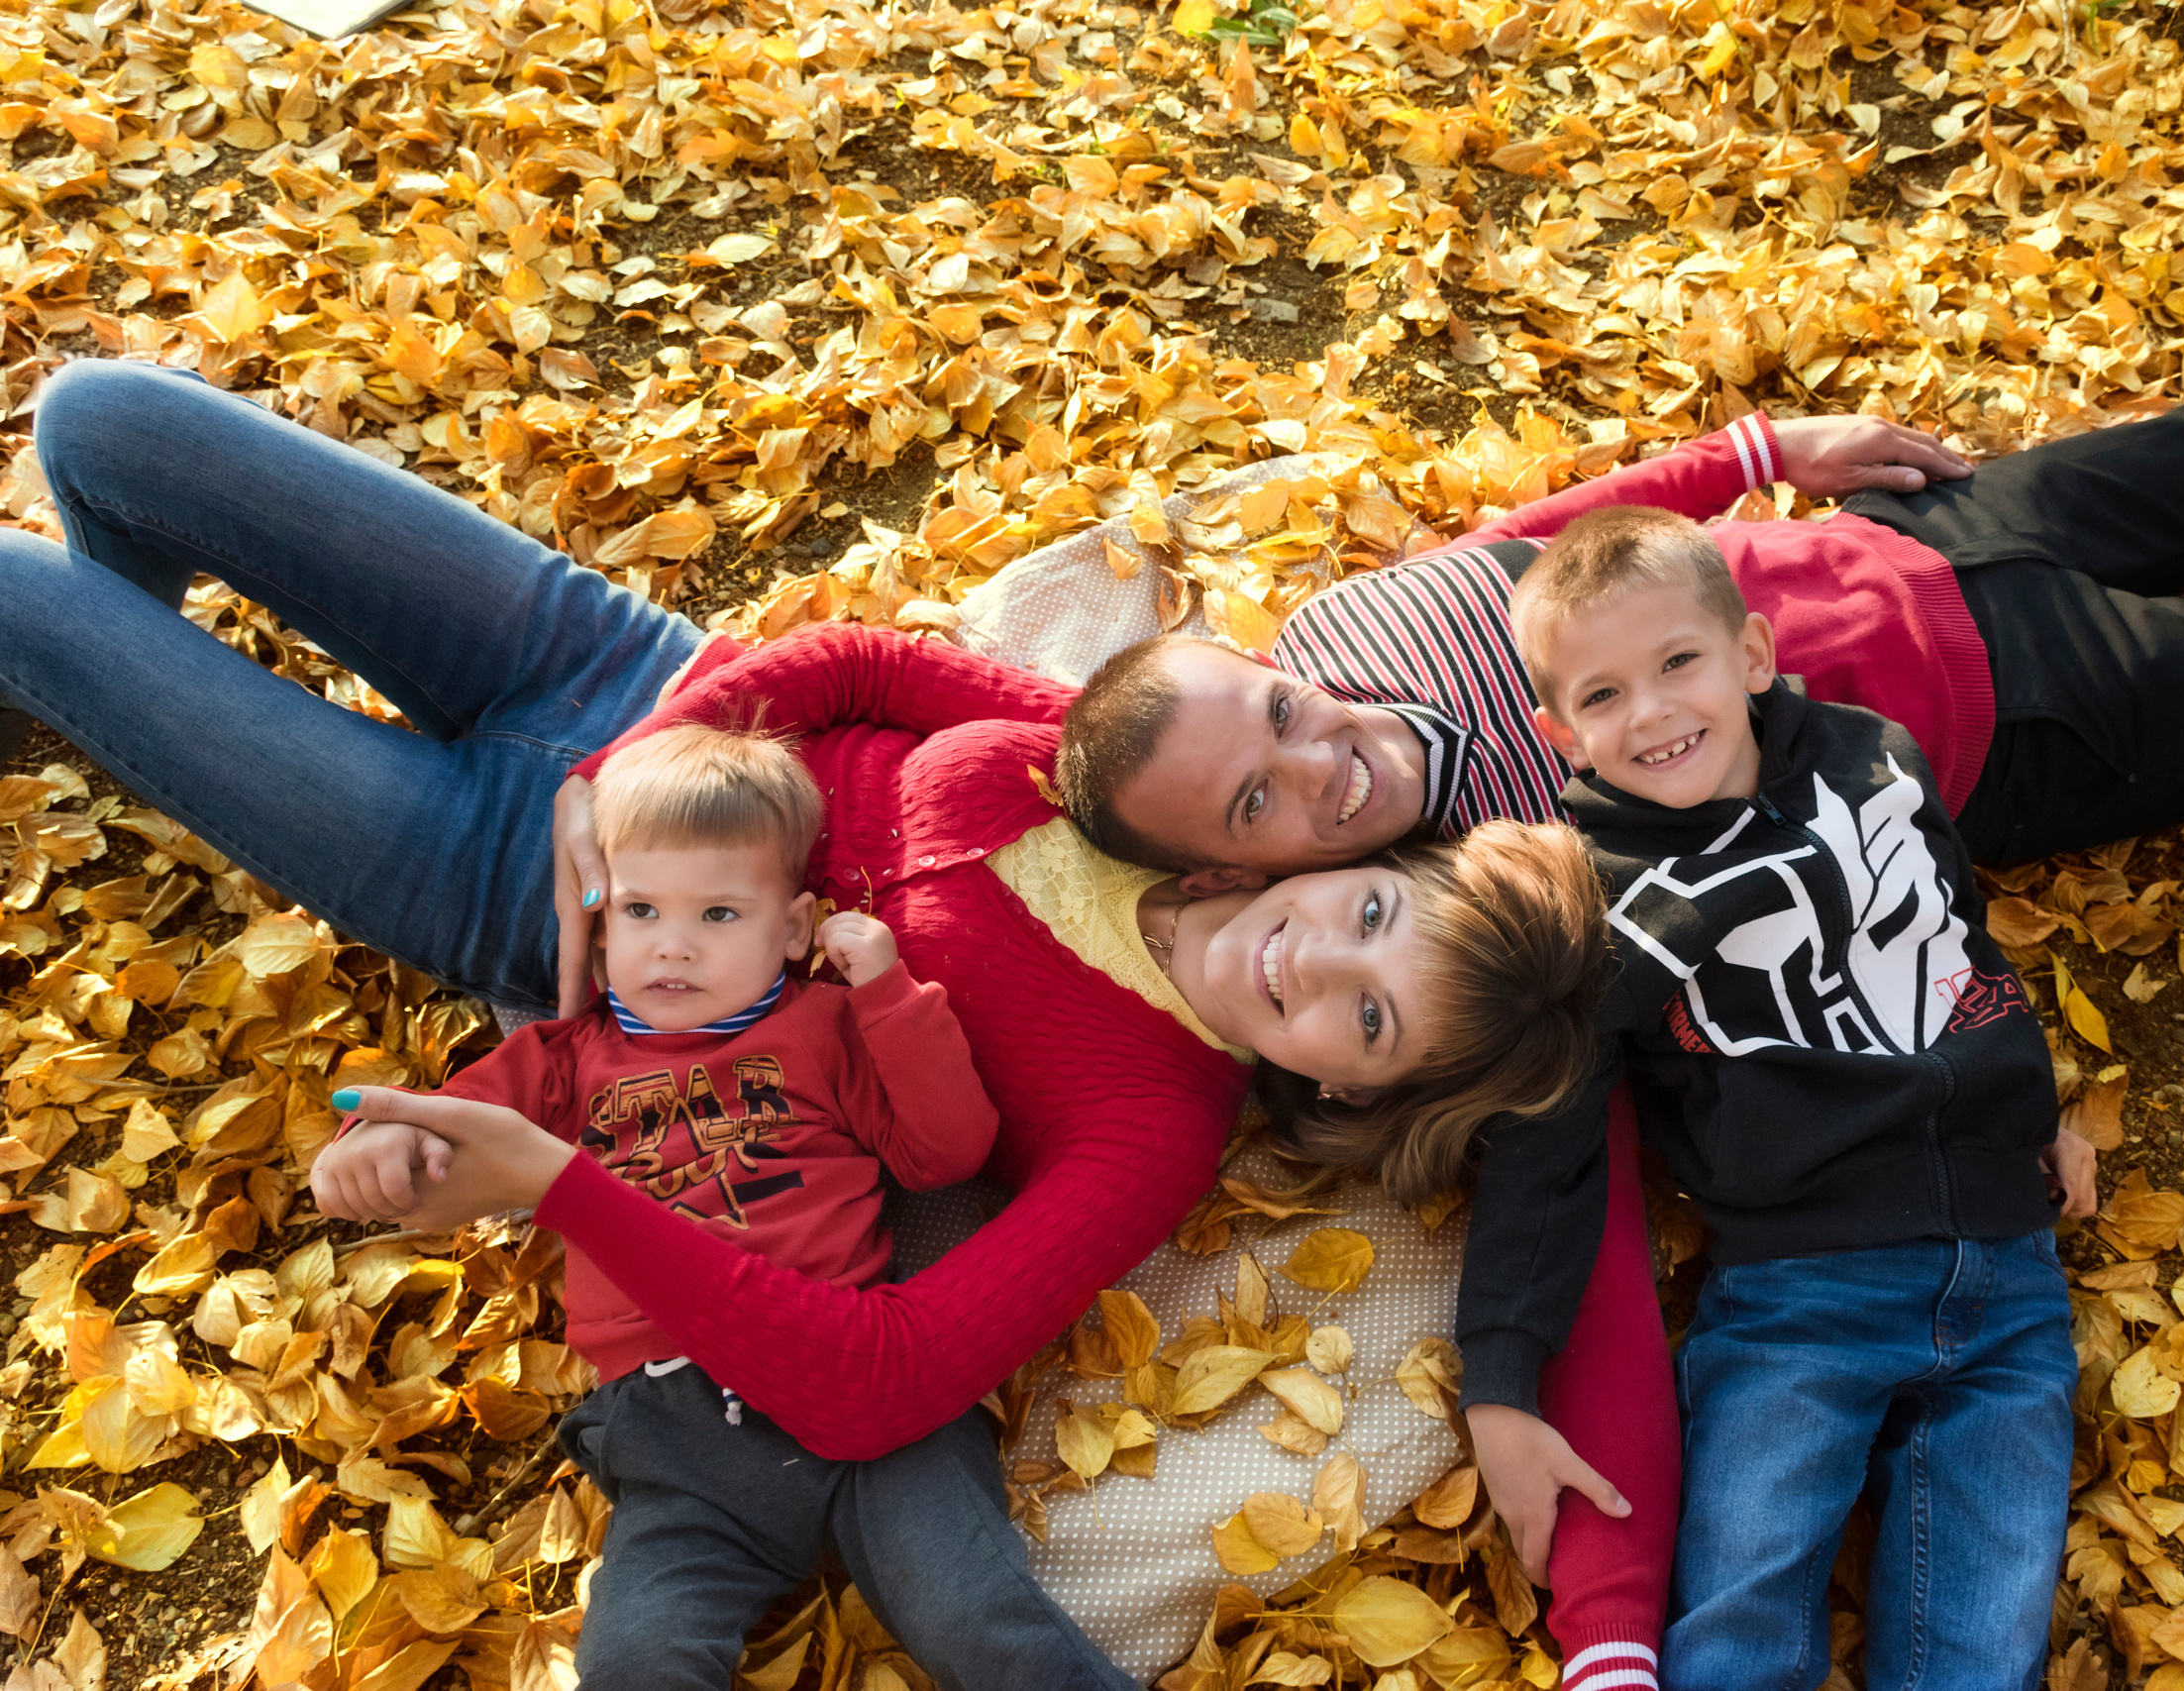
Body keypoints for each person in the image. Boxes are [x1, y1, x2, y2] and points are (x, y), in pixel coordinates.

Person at [0, 360, 1610, 1691]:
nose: (1314, 963)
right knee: (96, 421)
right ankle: (108, 698)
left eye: (1370, 1021)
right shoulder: (1179, 804)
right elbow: (858, 667)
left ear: (1343, 1086)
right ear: (1363, 867)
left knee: (19, 592)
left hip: (520, 894)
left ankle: (90, 669)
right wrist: (640, 765)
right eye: (1375, 914)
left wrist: (555, 1168)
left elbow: (880, 1375)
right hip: (621, 662)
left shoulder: (1152, 1130)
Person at [1046, 296, 2184, 1628]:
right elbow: (1577, 1176)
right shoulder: (1505, 884)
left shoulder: (1350, 618)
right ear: (1237, 870)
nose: (1320, 762)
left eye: (1280, 712)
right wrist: (1542, 1462)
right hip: (2017, 717)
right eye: (1259, 802)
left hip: (1902, 541)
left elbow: (1566, 537)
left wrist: (1765, 446)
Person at [1500, 505, 2087, 1688]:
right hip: (1799, 1290)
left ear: (1753, 656)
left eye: (1679, 664)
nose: (1655, 713)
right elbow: (1543, 1129)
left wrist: (2039, 1112)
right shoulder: (1597, 904)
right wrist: (1498, 1380)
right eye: (1604, 697)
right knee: (1741, 1610)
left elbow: (1950, 941)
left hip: (2008, 1268)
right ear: (1562, 733)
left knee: (1986, 1639)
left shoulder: (1873, 757)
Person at [314, 724, 1005, 1691]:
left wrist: (888, 993)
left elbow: (946, 1153)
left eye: (719, 913)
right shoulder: (567, 1061)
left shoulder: (825, 1027)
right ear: (600, 926)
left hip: (860, 1388)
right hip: (675, 1433)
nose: (672, 944)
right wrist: (378, 1144)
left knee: (980, 1618)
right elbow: (454, 1120)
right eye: (640, 910)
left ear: (796, 929)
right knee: (636, 1660)